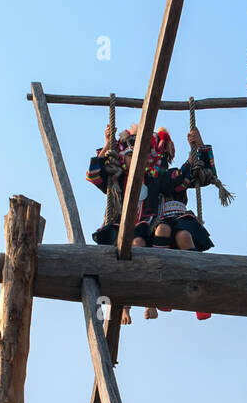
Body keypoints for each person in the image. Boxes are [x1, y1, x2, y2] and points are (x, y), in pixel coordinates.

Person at [87, 124, 230, 321]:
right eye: (131, 154)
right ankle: (137, 303)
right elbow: (94, 174)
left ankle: (197, 298)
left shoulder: (158, 178)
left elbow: (193, 174)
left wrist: (198, 146)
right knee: (136, 244)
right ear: (123, 158)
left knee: (181, 235)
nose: (137, 159)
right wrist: (106, 144)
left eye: (143, 154)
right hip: (129, 231)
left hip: (161, 229)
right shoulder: (118, 180)